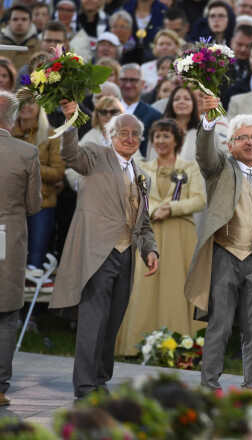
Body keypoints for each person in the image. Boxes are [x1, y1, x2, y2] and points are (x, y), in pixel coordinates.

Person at [50, 105, 159, 398]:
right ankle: (85, 386)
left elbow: (144, 222)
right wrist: (71, 121)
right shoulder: (96, 155)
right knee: (92, 319)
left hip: (127, 254)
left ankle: (100, 379)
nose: (130, 138)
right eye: (123, 132)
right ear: (110, 135)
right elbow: (70, 155)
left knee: (113, 321)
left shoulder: (142, 176)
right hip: (97, 250)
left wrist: (151, 251)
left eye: (136, 134)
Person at [184, 97, 252, 389]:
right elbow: (204, 154)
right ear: (230, 145)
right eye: (243, 137)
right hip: (225, 256)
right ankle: (209, 385)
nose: (251, 142)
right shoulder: (219, 169)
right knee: (219, 326)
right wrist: (207, 121)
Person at [115, 119, 206, 356]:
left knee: (177, 286)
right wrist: (155, 209)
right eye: (157, 136)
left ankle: (181, 343)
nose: (161, 141)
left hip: (181, 236)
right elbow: (133, 194)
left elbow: (199, 199)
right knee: (144, 286)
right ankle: (138, 345)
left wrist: (172, 208)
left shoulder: (190, 167)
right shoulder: (142, 165)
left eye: (166, 136)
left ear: (177, 140)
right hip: (150, 232)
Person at [0, 91, 42, 407]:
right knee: (7, 309)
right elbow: (33, 204)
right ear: (13, 119)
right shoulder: (27, 152)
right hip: (8, 235)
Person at [11, 100, 64, 279]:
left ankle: (32, 307)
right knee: (8, 261)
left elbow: (58, 172)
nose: (26, 107)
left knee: (35, 264)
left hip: (43, 204)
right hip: (10, 204)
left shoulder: (52, 135)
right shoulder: (6, 134)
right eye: (22, 103)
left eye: (31, 103)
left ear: (40, 107)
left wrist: (30, 166)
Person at [0, 6, 39, 71]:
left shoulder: (40, 47)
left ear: (30, 23)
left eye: (24, 19)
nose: (19, 23)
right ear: (9, 23)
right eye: (15, 19)